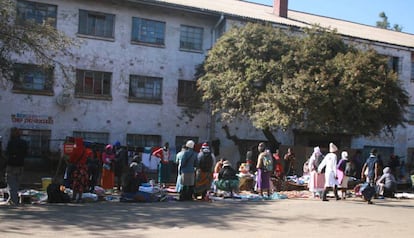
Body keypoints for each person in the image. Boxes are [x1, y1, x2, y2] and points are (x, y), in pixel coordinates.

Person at [5, 128, 28, 205]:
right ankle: (13, 198)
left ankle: (14, 200)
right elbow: (26, 153)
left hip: (11, 165)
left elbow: (7, 153)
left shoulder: (11, 142)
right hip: (20, 165)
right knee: (17, 183)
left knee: (11, 183)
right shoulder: (24, 142)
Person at [69, 137, 89, 203]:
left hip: (77, 168)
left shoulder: (76, 149)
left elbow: (71, 159)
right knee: (81, 183)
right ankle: (80, 198)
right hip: (83, 168)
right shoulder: (85, 150)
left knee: (75, 182)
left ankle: (74, 197)